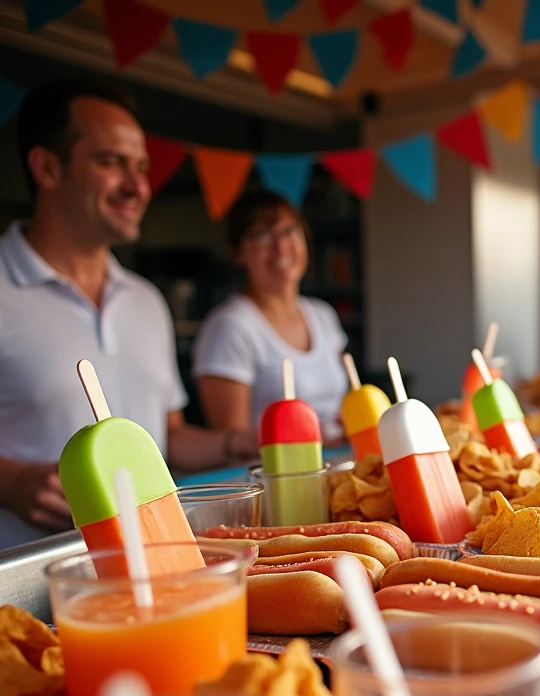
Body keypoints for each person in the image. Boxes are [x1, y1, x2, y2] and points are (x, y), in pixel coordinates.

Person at [0, 77, 258, 550]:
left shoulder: (145, 300)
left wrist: (236, 442)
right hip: (26, 586)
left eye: (141, 167)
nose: (139, 186)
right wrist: (10, 481)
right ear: (48, 168)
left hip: (155, 562)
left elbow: (169, 436)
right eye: (111, 163)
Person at [193, 190, 348, 431]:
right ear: (238, 253)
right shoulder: (230, 326)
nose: (281, 247)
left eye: (290, 231)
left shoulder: (322, 315)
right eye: (262, 236)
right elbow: (233, 440)